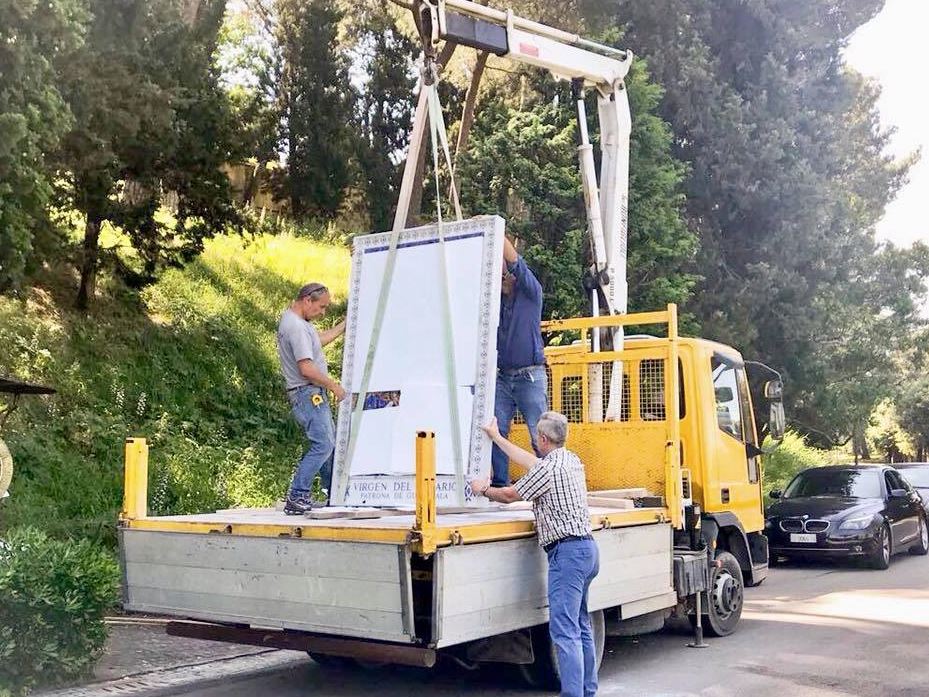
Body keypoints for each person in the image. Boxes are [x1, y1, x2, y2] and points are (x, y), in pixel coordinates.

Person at [470, 412, 599, 697]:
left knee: (564, 631)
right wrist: (497, 437)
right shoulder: (571, 460)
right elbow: (530, 463)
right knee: (580, 625)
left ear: (541, 439)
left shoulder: (548, 470)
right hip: (587, 551)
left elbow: (508, 496)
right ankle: (588, 691)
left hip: (567, 555)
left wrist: (482, 489)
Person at [277, 282, 346, 515]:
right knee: (324, 443)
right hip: (308, 393)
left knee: (328, 443)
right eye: (321, 307)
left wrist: (345, 325)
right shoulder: (295, 327)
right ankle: (297, 495)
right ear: (308, 300)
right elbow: (306, 368)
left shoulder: (297, 323)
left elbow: (319, 341)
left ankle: (332, 493)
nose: (323, 312)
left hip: (310, 393)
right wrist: (334, 386)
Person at [493, 236, 547, 487]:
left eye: (503, 273)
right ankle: (500, 485)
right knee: (495, 429)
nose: (501, 279)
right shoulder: (497, 302)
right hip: (503, 377)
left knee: (540, 433)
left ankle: (548, 482)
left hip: (530, 377)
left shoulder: (530, 291)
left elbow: (514, 260)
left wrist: (494, 229)